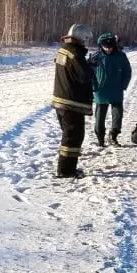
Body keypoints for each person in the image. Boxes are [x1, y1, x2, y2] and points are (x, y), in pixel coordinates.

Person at [52, 24, 94, 177]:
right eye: (86, 39)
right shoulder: (75, 54)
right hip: (72, 103)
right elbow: (85, 77)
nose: (86, 42)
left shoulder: (63, 50)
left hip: (61, 101)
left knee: (68, 135)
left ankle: (66, 167)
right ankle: (66, 170)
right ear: (81, 38)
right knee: (73, 137)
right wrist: (91, 67)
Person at [89, 31, 133, 146]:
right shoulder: (95, 57)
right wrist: (93, 85)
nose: (108, 49)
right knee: (99, 118)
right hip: (100, 91)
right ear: (100, 45)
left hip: (116, 91)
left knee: (117, 116)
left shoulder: (121, 56)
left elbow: (127, 72)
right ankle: (100, 138)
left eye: (110, 47)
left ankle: (113, 135)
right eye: (105, 47)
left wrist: (123, 85)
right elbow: (88, 73)